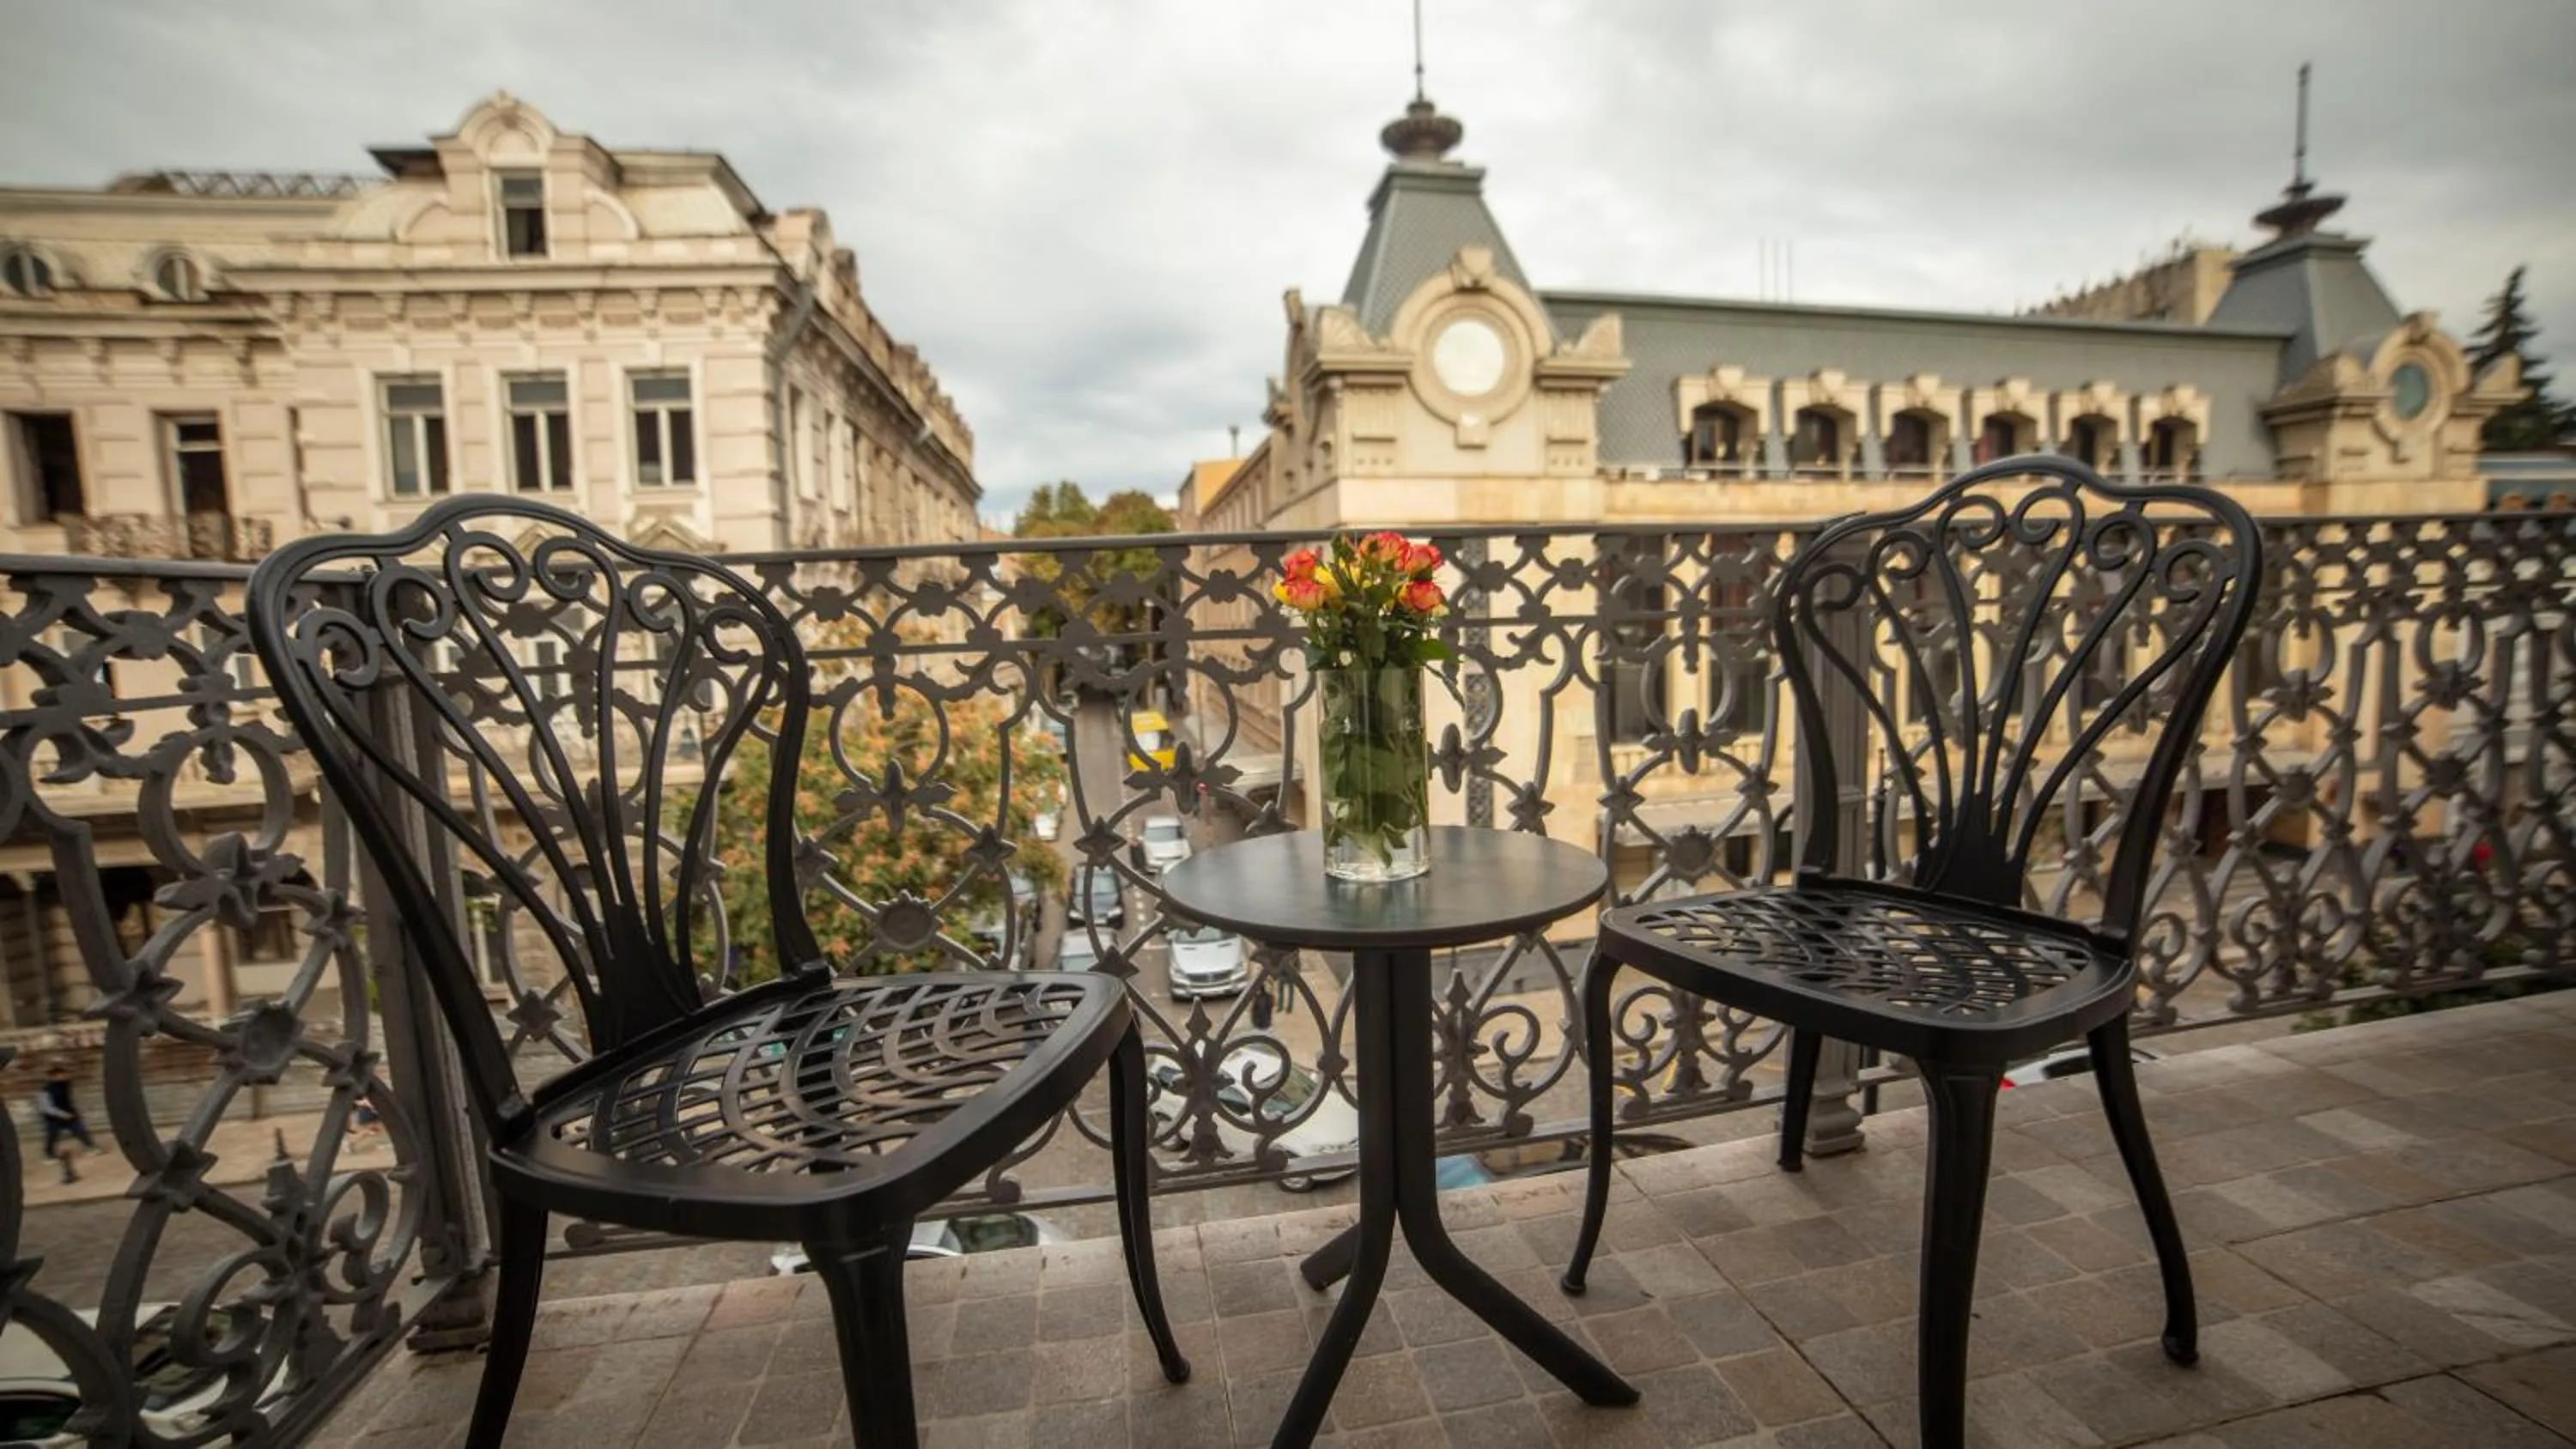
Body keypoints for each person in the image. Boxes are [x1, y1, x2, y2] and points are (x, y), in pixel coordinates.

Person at [37, 1064, 95, 1184]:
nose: (65, 1076)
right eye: (62, 1075)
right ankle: (49, 1155)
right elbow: (46, 1107)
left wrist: (74, 1112)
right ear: (54, 1076)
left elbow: (68, 1100)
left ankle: (90, 1147)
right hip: (53, 1118)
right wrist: (63, 1114)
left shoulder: (66, 1085)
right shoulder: (44, 1091)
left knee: (79, 1130)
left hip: (69, 1115)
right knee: (52, 1136)